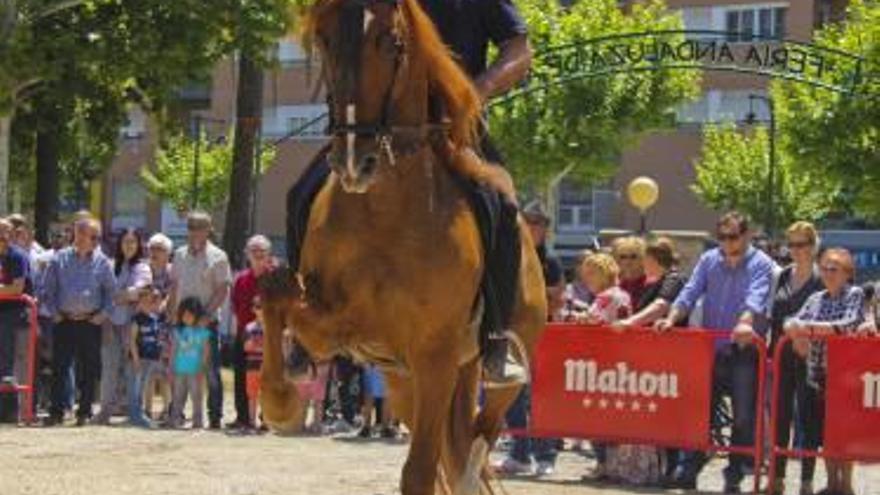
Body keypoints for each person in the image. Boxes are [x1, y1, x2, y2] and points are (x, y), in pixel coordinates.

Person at [287, 0, 532, 385]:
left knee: (501, 205)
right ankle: (301, 327)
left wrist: (475, 90)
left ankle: (495, 337)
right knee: (300, 194)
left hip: (454, 124)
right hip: (369, 125)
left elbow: (519, 51)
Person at [657, 211, 775, 493]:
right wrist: (672, 317)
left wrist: (745, 322)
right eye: (722, 237)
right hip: (708, 347)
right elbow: (690, 291)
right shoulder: (709, 259)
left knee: (744, 415)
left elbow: (756, 297)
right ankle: (691, 467)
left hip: (743, 348)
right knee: (699, 411)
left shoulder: (762, 264)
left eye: (732, 237)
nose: (726, 243)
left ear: (745, 235)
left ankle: (734, 471)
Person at [785, 248, 865, 495]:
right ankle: (831, 483)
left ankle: (846, 485)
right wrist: (793, 331)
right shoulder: (816, 298)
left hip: (846, 376)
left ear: (847, 273)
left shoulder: (855, 294)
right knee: (826, 433)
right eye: (825, 268)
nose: (828, 273)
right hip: (817, 374)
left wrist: (808, 328)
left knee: (845, 433)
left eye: (834, 269)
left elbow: (848, 324)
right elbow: (792, 320)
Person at [494, 202, 562, 477]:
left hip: (543, 337)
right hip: (510, 336)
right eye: (529, 222)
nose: (532, 228)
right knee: (512, 395)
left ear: (545, 230)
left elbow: (557, 299)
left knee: (542, 398)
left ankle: (546, 456)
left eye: (538, 224)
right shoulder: (509, 257)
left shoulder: (551, 261)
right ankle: (520, 453)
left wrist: (537, 294)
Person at [767, 222, 824, 495]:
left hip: (811, 357)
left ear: (813, 247)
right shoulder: (782, 276)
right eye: (792, 245)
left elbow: (827, 316)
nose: (797, 250)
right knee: (779, 416)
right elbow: (774, 316)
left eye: (802, 245)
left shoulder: (821, 278)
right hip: (781, 354)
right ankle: (777, 478)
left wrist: (808, 339)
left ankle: (806, 481)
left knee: (808, 417)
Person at [42, 218, 115, 426]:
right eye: (81, 232)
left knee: (89, 368)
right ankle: (56, 411)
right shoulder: (59, 259)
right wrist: (54, 312)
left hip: (90, 322)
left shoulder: (103, 262)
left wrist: (102, 315)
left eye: (91, 234)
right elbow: (48, 290)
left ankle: (84, 411)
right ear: (75, 233)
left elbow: (111, 293)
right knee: (60, 367)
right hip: (63, 321)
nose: (85, 237)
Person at [167, 211, 232, 430]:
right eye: (191, 227)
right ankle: (177, 415)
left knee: (211, 371)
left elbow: (222, 290)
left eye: (199, 227)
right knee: (182, 371)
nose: (194, 231)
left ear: (208, 230)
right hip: (183, 323)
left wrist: (206, 316)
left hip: (207, 323)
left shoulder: (218, 256)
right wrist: (172, 315)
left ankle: (214, 418)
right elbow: (175, 286)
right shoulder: (179, 254)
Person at [94, 228, 152, 424]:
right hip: (110, 323)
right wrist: (123, 297)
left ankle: (133, 411)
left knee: (132, 368)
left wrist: (122, 296)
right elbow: (103, 293)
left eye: (133, 242)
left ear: (138, 245)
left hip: (132, 326)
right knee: (109, 367)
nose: (129, 245)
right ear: (119, 244)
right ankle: (105, 410)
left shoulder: (143, 267)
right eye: (125, 241)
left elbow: (142, 289)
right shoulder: (110, 265)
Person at [229, 235, 274, 429]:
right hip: (244, 334)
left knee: (268, 378)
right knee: (241, 377)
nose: (257, 255)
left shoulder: (275, 277)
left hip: (269, 336)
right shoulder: (240, 280)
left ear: (268, 255)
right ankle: (243, 418)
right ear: (247, 254)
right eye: (253, 251)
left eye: (261, 251)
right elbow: (234, 307)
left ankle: (268, 418)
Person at [0, 218, 34, 423]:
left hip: (17, 315)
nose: (3, 235)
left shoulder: (17, 256)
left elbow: (17, 288)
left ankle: (20, 412)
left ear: (13, 234)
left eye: (6, 231)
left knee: (16, 365)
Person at [617, 236, 686, 328]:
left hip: (667, 340)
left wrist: (630, 322)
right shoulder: (657, 282)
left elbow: (661, 306)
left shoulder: (674, 279)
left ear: (653, 259)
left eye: (644, 259)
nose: (643, 263)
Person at [167, 297, 212, 429]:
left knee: (196, 397)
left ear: (196, 316)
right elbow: (174, 351)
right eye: (183, 315)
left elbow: (205, 351)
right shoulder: (177, 332)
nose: (186, 318)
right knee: (177, 396)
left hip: (195, 371)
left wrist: (201, 368)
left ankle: (197, 421)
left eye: (189, 315)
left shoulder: (202, 332)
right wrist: (171, 368)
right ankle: (175, 419)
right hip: (179, 370)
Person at [127, 287, 166, 428]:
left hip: (150, 358)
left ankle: (139, 414)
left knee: (143, 387)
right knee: (135, 388)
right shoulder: (137, 319)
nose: (148, 304)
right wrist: (136, 359)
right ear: (140, 302)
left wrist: (159, 354)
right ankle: (134, 416)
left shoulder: (154, 319)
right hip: (139, 359)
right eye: (145, 301)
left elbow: (157, 338)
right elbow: (132, 340)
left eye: (151, 301)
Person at [243, 297, 265, 432]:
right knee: (252, 395)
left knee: (265, 395)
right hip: (251, 366)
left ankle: (265, 421)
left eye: (263, 307)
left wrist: (256, 345)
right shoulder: (249, 327)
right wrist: (256, 344)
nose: (261, 310)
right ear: (253, 309)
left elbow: (273, 347)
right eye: (258, 307)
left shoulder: (271, 326)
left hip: (266, 367)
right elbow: (245, 347)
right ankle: (252, 421)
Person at [611, 236, 648, 306]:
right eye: (623, 257)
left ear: (642, 258)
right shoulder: (614, 283)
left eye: (633, 256)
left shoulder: (650, 284)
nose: (628, 261)